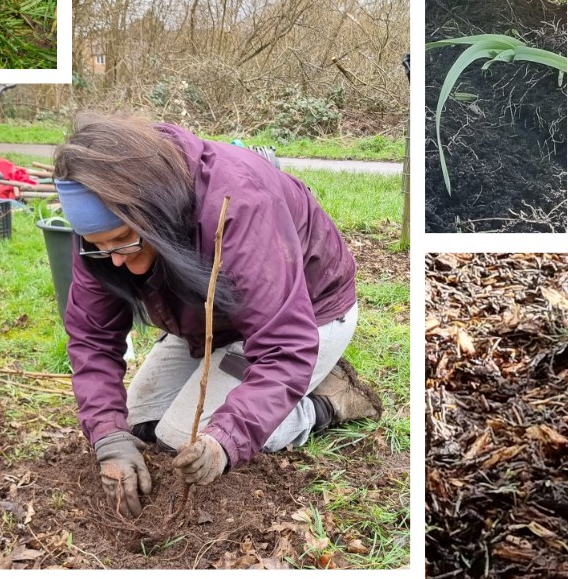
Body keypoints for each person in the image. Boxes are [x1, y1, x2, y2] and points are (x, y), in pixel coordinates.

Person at [53, 114, 383, 519]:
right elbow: (92, 338)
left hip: (306, 317)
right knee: (140, 422)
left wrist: (224, 441)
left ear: (154, 209)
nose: (117, 260)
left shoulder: (239, 206)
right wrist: (108, 436)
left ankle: (326, 401)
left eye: (125, 241)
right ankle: (237, 376)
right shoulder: (99, 223)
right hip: (207, 318)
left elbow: (285, 345)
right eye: (100, 247)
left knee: (182, 437)